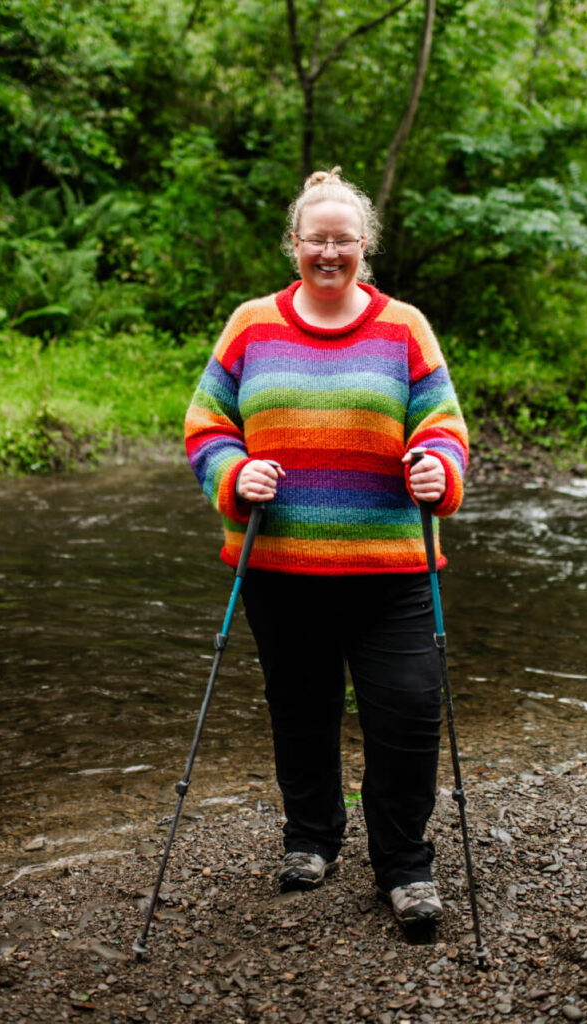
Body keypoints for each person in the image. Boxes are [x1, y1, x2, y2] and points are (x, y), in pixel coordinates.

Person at [184, 167, 468, 929]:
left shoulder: (403, 325)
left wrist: (437, 467)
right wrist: (233, 474)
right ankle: (310, 839)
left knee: (407, 714)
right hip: (280, 572)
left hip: (392, 572)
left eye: (344, 240)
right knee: (300, 712)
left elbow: (443, 424)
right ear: (295, 244)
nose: (330, 251)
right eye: (317, 239)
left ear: (363, 246)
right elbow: (207, 423)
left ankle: (404, 867)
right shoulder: (251, 323)